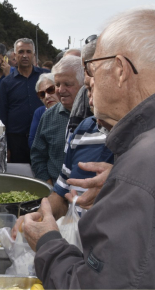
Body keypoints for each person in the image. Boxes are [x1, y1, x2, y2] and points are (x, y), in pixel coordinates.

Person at [16, 8, 155, 288]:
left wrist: (48, 243)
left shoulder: (145, 165)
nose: (89, 84)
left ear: (120, 69)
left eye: (92, 70)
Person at [47, 39, 114, 219]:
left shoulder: (146, 137)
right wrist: (40, 219)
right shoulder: (83, 129)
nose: (89, 101)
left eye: (93, 89)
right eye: (87, 90)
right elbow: (61, 193)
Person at [30, 55, 83, 185]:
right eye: (58, 84)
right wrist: (49, 186)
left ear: (83, 83)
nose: (61, 90)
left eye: (67, 84)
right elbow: (37, 156)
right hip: (57, 193)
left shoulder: (98, 114)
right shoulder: (48, 117)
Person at [0, 38, 48, 163]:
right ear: (15, 55)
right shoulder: (6, 82)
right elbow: (2, 116)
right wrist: (6, 147)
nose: (25, 55)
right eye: (21, 52)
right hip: (17, 142)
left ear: (34, 55)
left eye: (28, 52)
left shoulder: (45, 77)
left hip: (44, 137)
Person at [27, 73, 58, 148]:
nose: (47, 96)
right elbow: (32, 142)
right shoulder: (39, 113)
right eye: (42, 94)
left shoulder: (70, 109)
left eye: (50, 90)